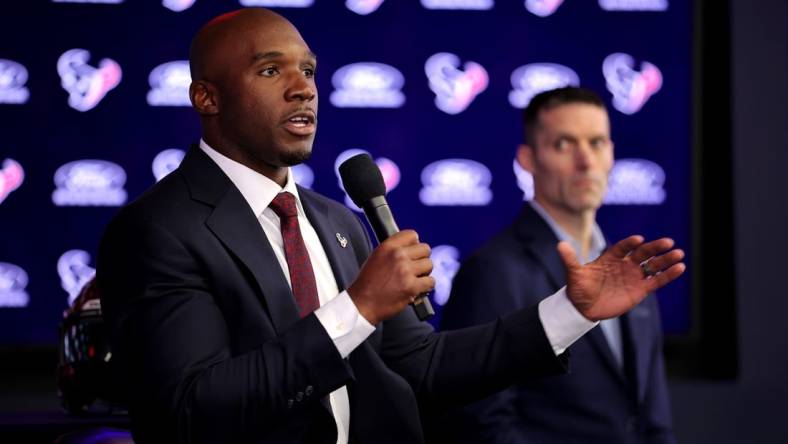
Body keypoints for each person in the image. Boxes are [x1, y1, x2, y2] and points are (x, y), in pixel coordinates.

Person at [96, 9, 685, 444]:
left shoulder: (335, 221)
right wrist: (357, 308)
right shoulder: (158, 229)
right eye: (270, 70)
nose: (303, 87)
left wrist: (570, 312)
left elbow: (423, 367)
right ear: (207, 97)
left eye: (308, 70)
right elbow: (192, 410)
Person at [439, 87, 677, 443]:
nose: (586, 161)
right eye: (565, 144)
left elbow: (653, 419)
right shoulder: (491, 270)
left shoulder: (631, 269)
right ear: (528, 159)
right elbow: (481, 424)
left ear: (611, 152)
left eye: (597, 143)